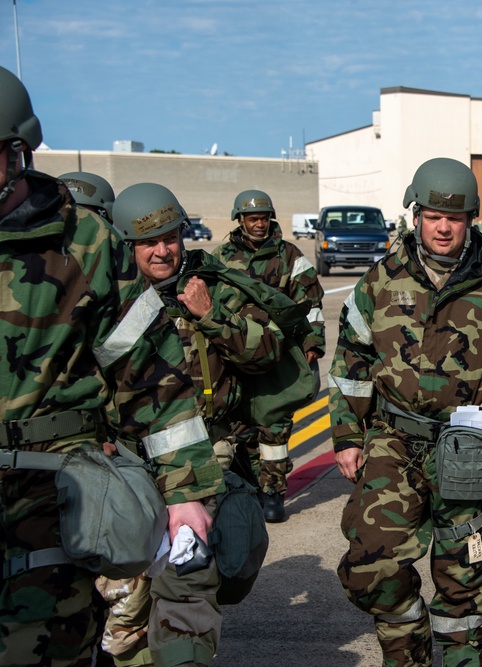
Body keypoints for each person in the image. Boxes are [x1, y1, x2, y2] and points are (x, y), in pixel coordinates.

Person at [0, 65, 223, 667]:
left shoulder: (85, 246)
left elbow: (149, 371)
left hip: (52, 493)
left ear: (18, 150)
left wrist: (186, 491)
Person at [330, 158, 482, 666]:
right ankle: (407, 647)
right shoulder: (380, 281)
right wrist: (348, 434)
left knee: (466, 574)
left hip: (466, 448)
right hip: (393, 442)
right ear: (416, 215)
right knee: (371, 565)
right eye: (434, 215)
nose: (443, 227)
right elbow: (352, 355)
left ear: (471, 220)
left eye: (455, 218)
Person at [100, 183, 285, 667]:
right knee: (125, 614)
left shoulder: (215, 285)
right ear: (126, 245)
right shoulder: (105, 303)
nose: (163, 250)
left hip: (204, 459)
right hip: (129, 464)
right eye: (148, 242)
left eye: (171, 236)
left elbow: (267, 351)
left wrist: (212, 315)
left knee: (191, 584)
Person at [213, 190, 326, 522]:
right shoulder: (221, 257)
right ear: (240, 220)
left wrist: (312, 344)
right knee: (239, 425)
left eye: (263, 218)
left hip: (278, 355)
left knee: (275, 425)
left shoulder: (289, 256)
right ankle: (247, 486)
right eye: (252, 219)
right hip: (235, 356)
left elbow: (312, 304)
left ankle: (273, 493)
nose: (259, 224)